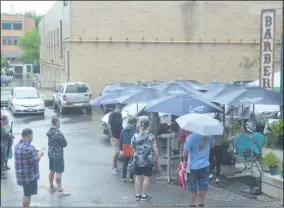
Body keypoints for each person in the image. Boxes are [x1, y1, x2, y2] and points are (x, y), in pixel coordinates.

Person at [131, 119, 160, 202]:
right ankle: (144, 196)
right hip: (148, 160)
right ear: (149, 126)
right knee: (146, 178)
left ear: (140, 125)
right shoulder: (151, 136)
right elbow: (155, 149)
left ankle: (137, 195)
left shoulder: (135, 135)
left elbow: (132, 146)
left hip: (137, 159)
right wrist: (157, 160)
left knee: (137, 177)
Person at [14, 128, 44, 207]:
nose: (32, 137)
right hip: (29, 176)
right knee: (27, 194)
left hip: (21, 175)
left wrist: (36, 151)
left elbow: (26, 156)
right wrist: (40, 153)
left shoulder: (17, 145)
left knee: (26, 192)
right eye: (32, 135)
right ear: (28, 136)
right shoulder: (29, 148)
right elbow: (35, 160)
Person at [183, 131, 214, 207]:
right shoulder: (209, 135)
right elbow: (212, 146)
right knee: (203, 186)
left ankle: (193, 204)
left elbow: (185, 152)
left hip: (193, 167)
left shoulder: (190, 137)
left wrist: (184, 161)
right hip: (205, 165)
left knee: (193, 186)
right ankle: (201, 202)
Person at [46, 117, 70, 196]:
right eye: (59, 122)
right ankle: (60, 191)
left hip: (50, 153)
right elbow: (64, 143)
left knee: (52, 170)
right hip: (58, 154)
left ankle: (51, 187)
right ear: (56, 123)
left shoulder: (49, 131)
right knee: (58, 172)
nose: (60, 123)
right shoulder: (58, 133)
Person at [120, 116, 137, 183]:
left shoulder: (123, 130)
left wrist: (121, 148)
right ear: (134, 123)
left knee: (125, 163)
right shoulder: (136, 130)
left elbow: (121, 140)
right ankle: (131, 178)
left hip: (125, 147)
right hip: (132, 147)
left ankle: (124, 177)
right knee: (132, 162)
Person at [108, 104, 123, 175]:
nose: (120, 109)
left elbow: (120, 123)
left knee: (118, 152)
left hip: (120, 135)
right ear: (116, 108)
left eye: (121, 108)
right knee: (116, 152)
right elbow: (109, 125)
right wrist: (111, 135)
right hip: (114, 136)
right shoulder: (112, 115)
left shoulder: (120, 114)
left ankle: (116, 167)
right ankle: (113, 168)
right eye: (119, 108)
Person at [1, 114, 14, 179]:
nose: (7, 120)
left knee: (7, 154)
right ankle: (2, 167)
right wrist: (9, 135)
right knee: (3, 156)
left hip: (9, 142)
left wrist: (11, 136)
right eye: (6, 119)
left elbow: (11, 132)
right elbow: (5, 134)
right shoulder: (2, 127)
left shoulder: (8, 125)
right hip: (3, 143)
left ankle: (5, 165)